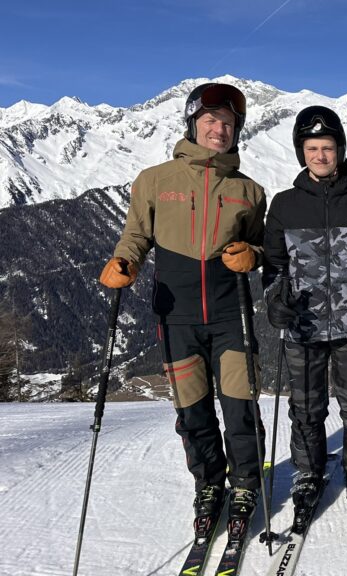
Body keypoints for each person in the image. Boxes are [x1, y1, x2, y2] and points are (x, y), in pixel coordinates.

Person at [98, 83, 267, 535]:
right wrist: (124, 261)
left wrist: (254, 253)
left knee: (240, 409)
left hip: (234, 317)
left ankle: (246, 483)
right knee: (192, 413)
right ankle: (209, 485)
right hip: (177, 318)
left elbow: (261, 245)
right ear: (193, 124)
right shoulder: (155, 181)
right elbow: (136, 234)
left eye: (229, 123)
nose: (220, 129)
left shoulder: (249, 190)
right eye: (211, 120)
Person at [261, 106, 347, 531]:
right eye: (312, 148)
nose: (320, 155)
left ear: (340, 150)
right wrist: (274, 303)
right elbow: (274, 268)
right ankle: (307, 474)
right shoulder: (284, 205)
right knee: (306, 409)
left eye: (327, 148)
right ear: (302, 153)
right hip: (303, 327)